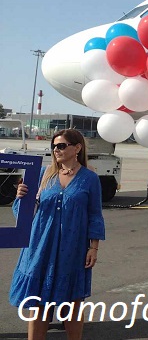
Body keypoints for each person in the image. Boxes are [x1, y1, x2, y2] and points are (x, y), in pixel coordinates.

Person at [9, 129, 105, 340]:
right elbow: (24, 214)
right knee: (38, 305)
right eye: (54, 146)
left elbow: (95, 215)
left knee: (71, 305)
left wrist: (93, 247)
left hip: (73, 247)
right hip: (40, 245)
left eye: (61, 145)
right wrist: (21, 198)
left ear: (77, 148)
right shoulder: (44, 174)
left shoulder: (89, 178)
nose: (56, 150)